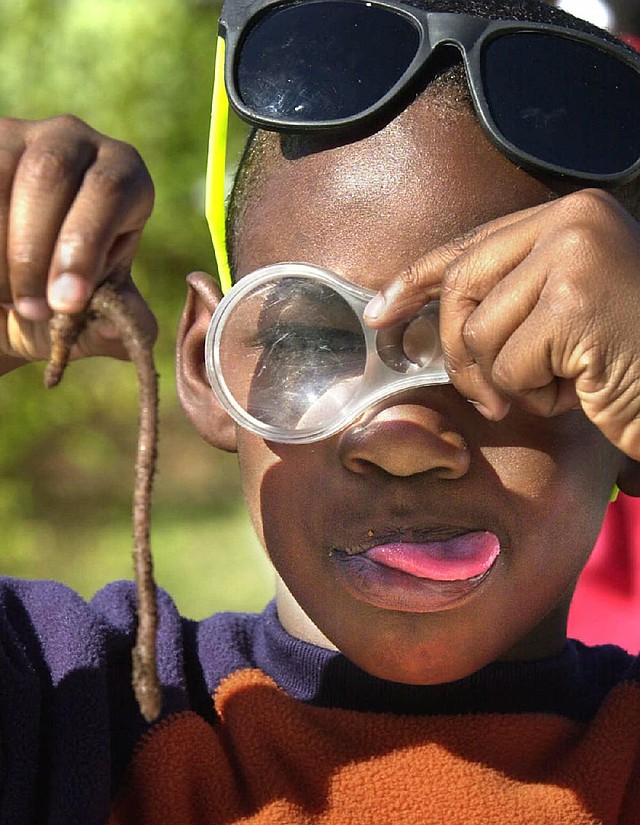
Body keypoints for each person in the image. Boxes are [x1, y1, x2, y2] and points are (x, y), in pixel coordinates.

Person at [2, 0, 640, 822]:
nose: (404, 442)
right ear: (210, 367)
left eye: (514, 350)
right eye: (312, 339)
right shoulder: (80, 713)